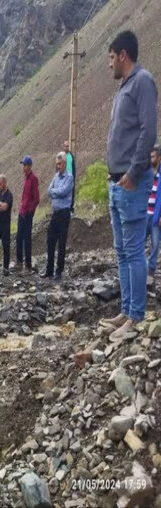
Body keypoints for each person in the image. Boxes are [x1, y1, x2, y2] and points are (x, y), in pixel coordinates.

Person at [101, 30, 158, 342]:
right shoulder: (124, 87)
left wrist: (135, 173)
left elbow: (149, 131)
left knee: (134, 249)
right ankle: (126, 309)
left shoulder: (143, 82)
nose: (110, 64)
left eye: (111, 58)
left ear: (122, 55)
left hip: (131, 182)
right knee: (122, 250)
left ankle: (136, 316)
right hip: (116, 183)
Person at [44, 153, 74, 280]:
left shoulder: (69, 177)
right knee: (50, 241)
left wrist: (55, 192)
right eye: (56, 163)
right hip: (55, 214)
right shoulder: (56, 176)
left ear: (65, 164)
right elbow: (48, 191)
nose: (58, 166)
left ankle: (59, 271)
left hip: (64, 214)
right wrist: (56, 192)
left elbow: (63, 192)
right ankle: (49, 270)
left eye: (60, 163)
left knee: (61, 244)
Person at [16, 156, 40, 273]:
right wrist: (22, 209)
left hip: (27, 214)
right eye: (23, 165)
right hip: (22, 212)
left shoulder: (33, 179)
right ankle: (19, 262)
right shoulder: (26, 178)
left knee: (27, 238)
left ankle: (28, 264)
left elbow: (36, 199)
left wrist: (30, 211)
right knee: (19, 237)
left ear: (30, 166)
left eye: (25, 165)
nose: (23, 167)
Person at [0, 174, 13, 275]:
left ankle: (5, 268)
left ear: (5, 183)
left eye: (0, 183)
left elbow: (5, 207)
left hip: (5, 225)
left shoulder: (9, 195)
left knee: (6, 246)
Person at [146, 146, 161, 286]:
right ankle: (139, 269)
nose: (151, 160)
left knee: (155, 244)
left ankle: (150, 272)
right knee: (139, 242)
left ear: (159, 158)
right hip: (145, 215)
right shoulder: (147, 172)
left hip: (156, 216)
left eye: (153, 157)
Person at [64, 140, 77, 213]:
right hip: (64, 178)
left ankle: (71, 208)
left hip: (70, 178)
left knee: (71, 193)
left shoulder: (71, 156)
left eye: (68, 146)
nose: (67, 147)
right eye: (66, 146)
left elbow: (73, 167)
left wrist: (74, 177)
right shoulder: (62, 156)